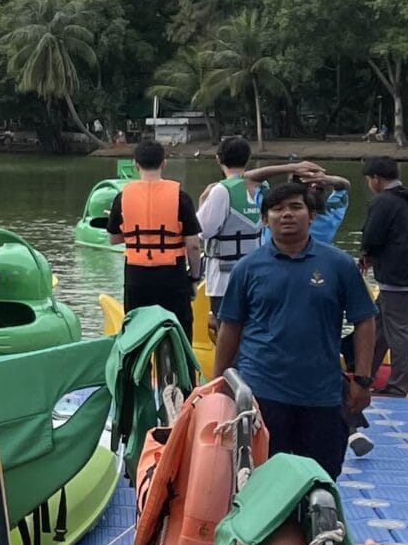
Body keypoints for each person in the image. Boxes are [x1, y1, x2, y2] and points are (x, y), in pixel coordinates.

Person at [213, 178, 376, 478]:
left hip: (322, 396)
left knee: (320, 480)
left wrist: (363, 380)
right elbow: (230, 327)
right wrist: (218, 383)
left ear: (311, 215)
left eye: (295, 207)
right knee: (259, 482)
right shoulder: (247, 268)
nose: (286, 214)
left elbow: (365, 320)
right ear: (264, 220)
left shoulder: (338, 265)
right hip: (262, 396)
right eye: (276, 209)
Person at [105, 136, 201, 336]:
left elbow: (113, 238)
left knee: (136, 331)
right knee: (180, 328)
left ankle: (137, 366)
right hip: (172, 275)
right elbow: (193, 245)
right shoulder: (180, 197)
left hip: (136, 276)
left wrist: (136, 235)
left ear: (135, 165)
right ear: (164, 164)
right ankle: (182, 365)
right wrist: (193, 278)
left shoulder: (122, 197)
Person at [357, 156, 408, 398]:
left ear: (376, 179)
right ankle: (365, 373)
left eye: (369, 179)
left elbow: (372, 236)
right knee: (379, 323)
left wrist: (366, 255)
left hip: (396, 275)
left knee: (397, 329)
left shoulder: (384, 202)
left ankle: (398, 385)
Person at [197, 135, 261, 313]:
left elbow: (203, 231)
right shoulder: (258, 188)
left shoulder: (221, 190)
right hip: (254, 275)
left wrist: (202, 201)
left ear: (218, 159)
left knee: (226, 333)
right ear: (248, 159)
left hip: (223, 279)